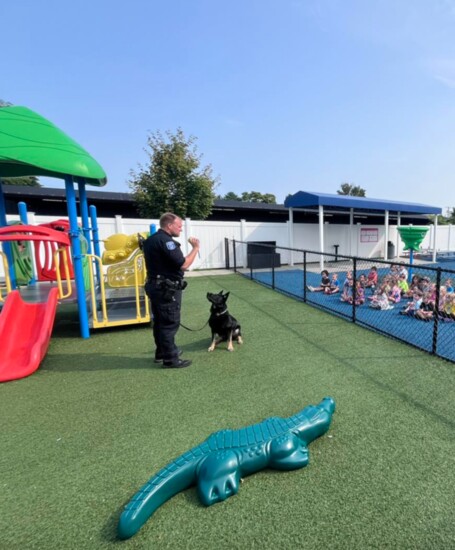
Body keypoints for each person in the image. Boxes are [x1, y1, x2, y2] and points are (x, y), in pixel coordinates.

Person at [143, 213, 200, 368]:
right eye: (179, 226)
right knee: (169, 323)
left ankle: (162, 352)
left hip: (155, 285)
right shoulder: (167, 242)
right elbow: (183, 264)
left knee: (160, 322)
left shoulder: (150, 240)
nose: (181, 229)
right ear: (169, 225)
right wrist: (196, 248)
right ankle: (170, 360)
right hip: (165, 288)